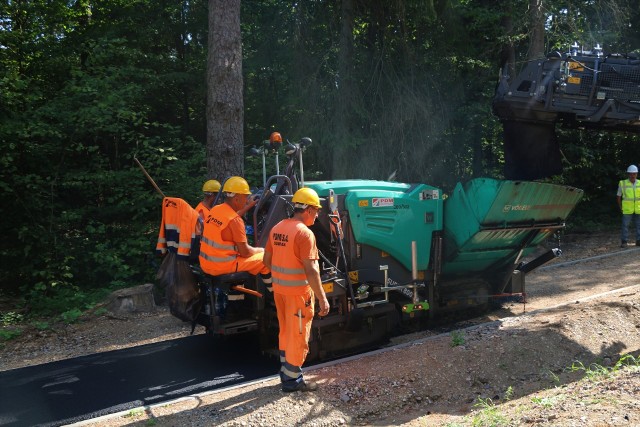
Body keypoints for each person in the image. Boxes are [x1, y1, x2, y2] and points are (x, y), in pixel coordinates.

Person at [263, 187, 330, 393]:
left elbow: (266, 261)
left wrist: (272, 284)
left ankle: (286, 373)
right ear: (308, 210)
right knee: (298, 336)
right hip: (298, 295)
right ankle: (293, 382)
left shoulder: (278, 227)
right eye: (316, 211)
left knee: (286, 333)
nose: (317, 215)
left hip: (280, 293)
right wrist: (323, 298)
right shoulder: (305, 234)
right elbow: (312, 271)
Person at [199, 176, 271, 280]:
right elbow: (245, 253)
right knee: (266, 259)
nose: (247, 200)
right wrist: (261, 250)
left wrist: (248, 206)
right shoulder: (235, 221)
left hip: (206, 264)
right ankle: (274, 294)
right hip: (222, 267)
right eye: (246, 197)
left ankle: (238, 295)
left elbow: (230, 217)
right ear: (236, 198)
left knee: (245, 258)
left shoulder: (215, 210)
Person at [616, 164, 640, 248]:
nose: (632, 175)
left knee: (639, 225)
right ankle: (624, 241)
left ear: (637, 174)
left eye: (634, 173)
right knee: (625, 226)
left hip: (638, 209)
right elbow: (618, 196)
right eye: (630, 173)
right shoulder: (622, 183)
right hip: (627, 209)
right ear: (628, 174)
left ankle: (638, 241)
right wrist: (620, 207)